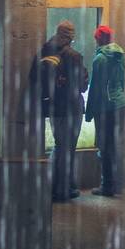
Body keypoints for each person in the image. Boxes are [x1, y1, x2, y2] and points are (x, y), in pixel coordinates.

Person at [39, 20, 89, 202]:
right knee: (68, 148)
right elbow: (81, 86)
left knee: (60, 146)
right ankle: (63, 189)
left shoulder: (46, 50)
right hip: (70, 108)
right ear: (70, 36)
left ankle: (55, 185)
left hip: (53, 107)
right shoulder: (73, 56)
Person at [84, 25, 125, 197]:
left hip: (106, 108)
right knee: (115, 146)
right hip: (120, 105)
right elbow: (122, 81)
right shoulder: (119, 56)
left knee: (105, 147)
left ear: (99, 39)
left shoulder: (100, 60)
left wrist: (89, 113)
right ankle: (117, 184)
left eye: (95, 39)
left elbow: (95, 88)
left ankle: (107, 186)